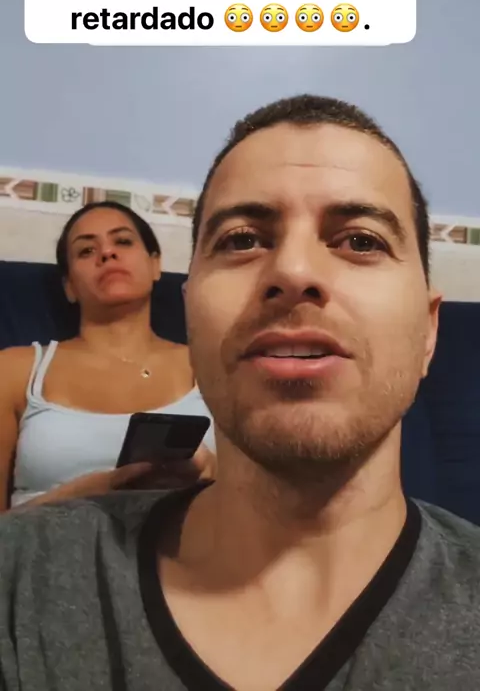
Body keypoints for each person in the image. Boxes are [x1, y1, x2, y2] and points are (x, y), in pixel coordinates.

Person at [1, 94, 480, 691]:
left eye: (361, 241)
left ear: (429, 332)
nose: (294, 271)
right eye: (242, 239)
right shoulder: (18, 578)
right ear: (190, 314)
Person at [0, 200, 214, 511]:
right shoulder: (14, 370)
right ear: (69, 286)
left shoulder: (210, 364)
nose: (107, 253)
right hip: (44, 540)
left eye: (123, 241)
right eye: (86, 250)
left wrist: (212, 474)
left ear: (155, 264)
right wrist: (93, 492)